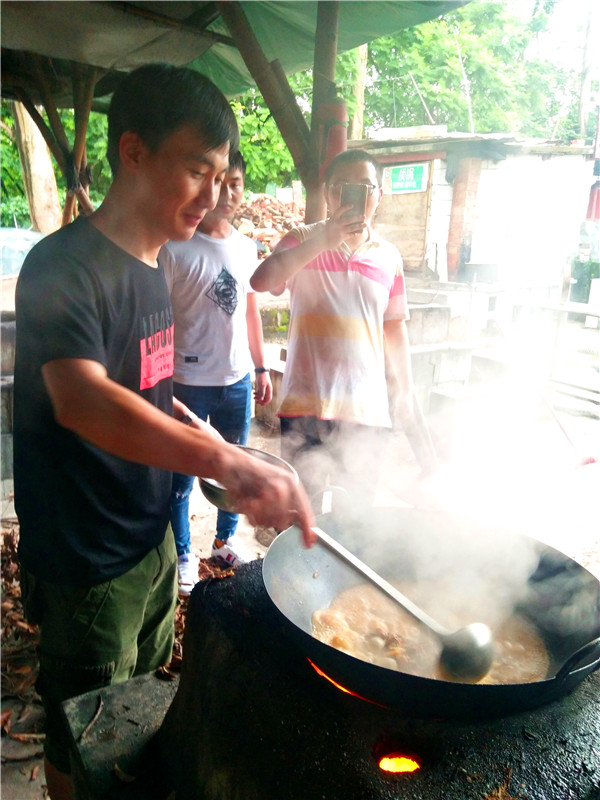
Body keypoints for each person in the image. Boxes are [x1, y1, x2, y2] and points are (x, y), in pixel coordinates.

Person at [13, 63, 315, 800]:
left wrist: (220, 451)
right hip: (87, 555)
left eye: (220, 174)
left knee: (134, 707)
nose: (213, 194)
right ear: (134, 152)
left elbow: (147, 391)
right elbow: (83, 399)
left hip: (146, 539)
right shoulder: (63, 266)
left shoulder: (154, 266)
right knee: (81, 729)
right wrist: (228, 464)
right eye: (196, 170)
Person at [250, 148, 437, 510]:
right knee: (300, 517)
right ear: (328, 193)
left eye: (365, 187)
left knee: (355, 524)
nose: (354, 196)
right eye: (342, 186)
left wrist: (405, 391)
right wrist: (325, 239)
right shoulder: (302, 238)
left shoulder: (389, 257)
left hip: (366, 414)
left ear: (379, 195)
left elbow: (394, 328)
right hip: (305, 406)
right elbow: (261, 280)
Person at [160, 152, 273, 591]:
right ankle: (183, 553)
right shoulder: (175, 248)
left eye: (235, 183)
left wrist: (260, 367)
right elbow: (160, 318)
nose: (226, 192)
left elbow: (250, 312)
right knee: (180, 477)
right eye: (219, 181)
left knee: (233, 471)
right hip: (187, 383)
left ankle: (225, 542)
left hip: (237, 380)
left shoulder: (246, 248)